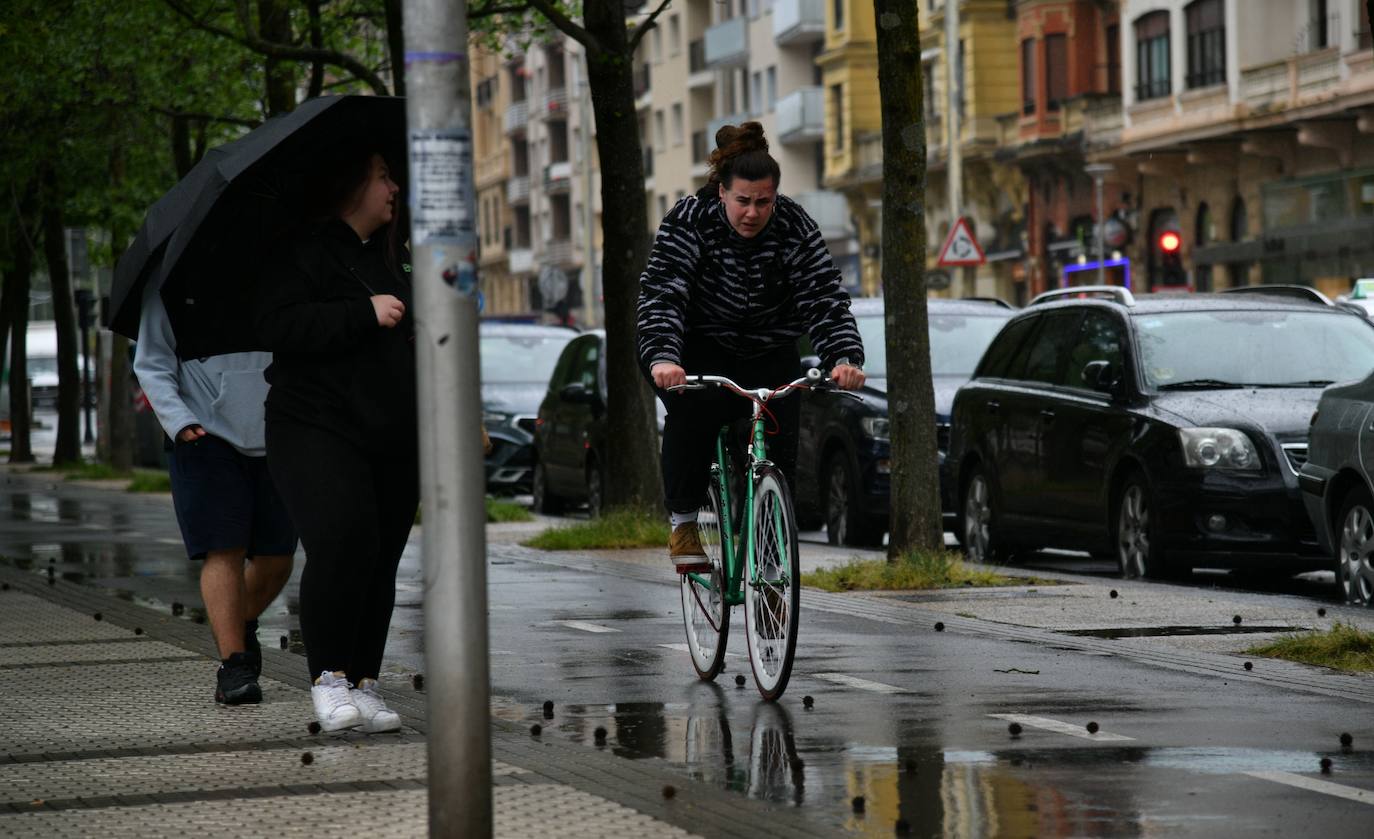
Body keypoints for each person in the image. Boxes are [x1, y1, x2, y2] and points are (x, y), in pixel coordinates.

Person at [636, 122, 867, 571]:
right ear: (722, 192)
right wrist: (663, 357)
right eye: (743, 201)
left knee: (780, 442)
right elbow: (664, 294)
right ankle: (684, 522)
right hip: (694, 345)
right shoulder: (689, 220)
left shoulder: (794, 226)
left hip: (768, 348)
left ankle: (771, 562)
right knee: (694, 415)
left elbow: (823, 296)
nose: (752, 213)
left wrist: (843, 357)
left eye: (764, 202)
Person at [255, 145, 416, 733]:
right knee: (342, 540)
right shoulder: (300, 251)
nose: (393, 188)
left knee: (380, 557)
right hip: (314, 427)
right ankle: (328, 677)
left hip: (392, 433)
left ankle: (364, 681)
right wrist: (361, 313)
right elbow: (277, 325)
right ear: (351, 186)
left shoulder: (395, 257)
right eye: (382, 177)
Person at [133, 285, 296, 706]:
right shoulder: (170, 282)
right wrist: (178, 421)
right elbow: (151, 361)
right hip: (203, 435)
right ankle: (234, 666)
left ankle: (239, 622)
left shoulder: (280, 274)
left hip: (279, 430)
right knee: (224, 549)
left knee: (278, 559)